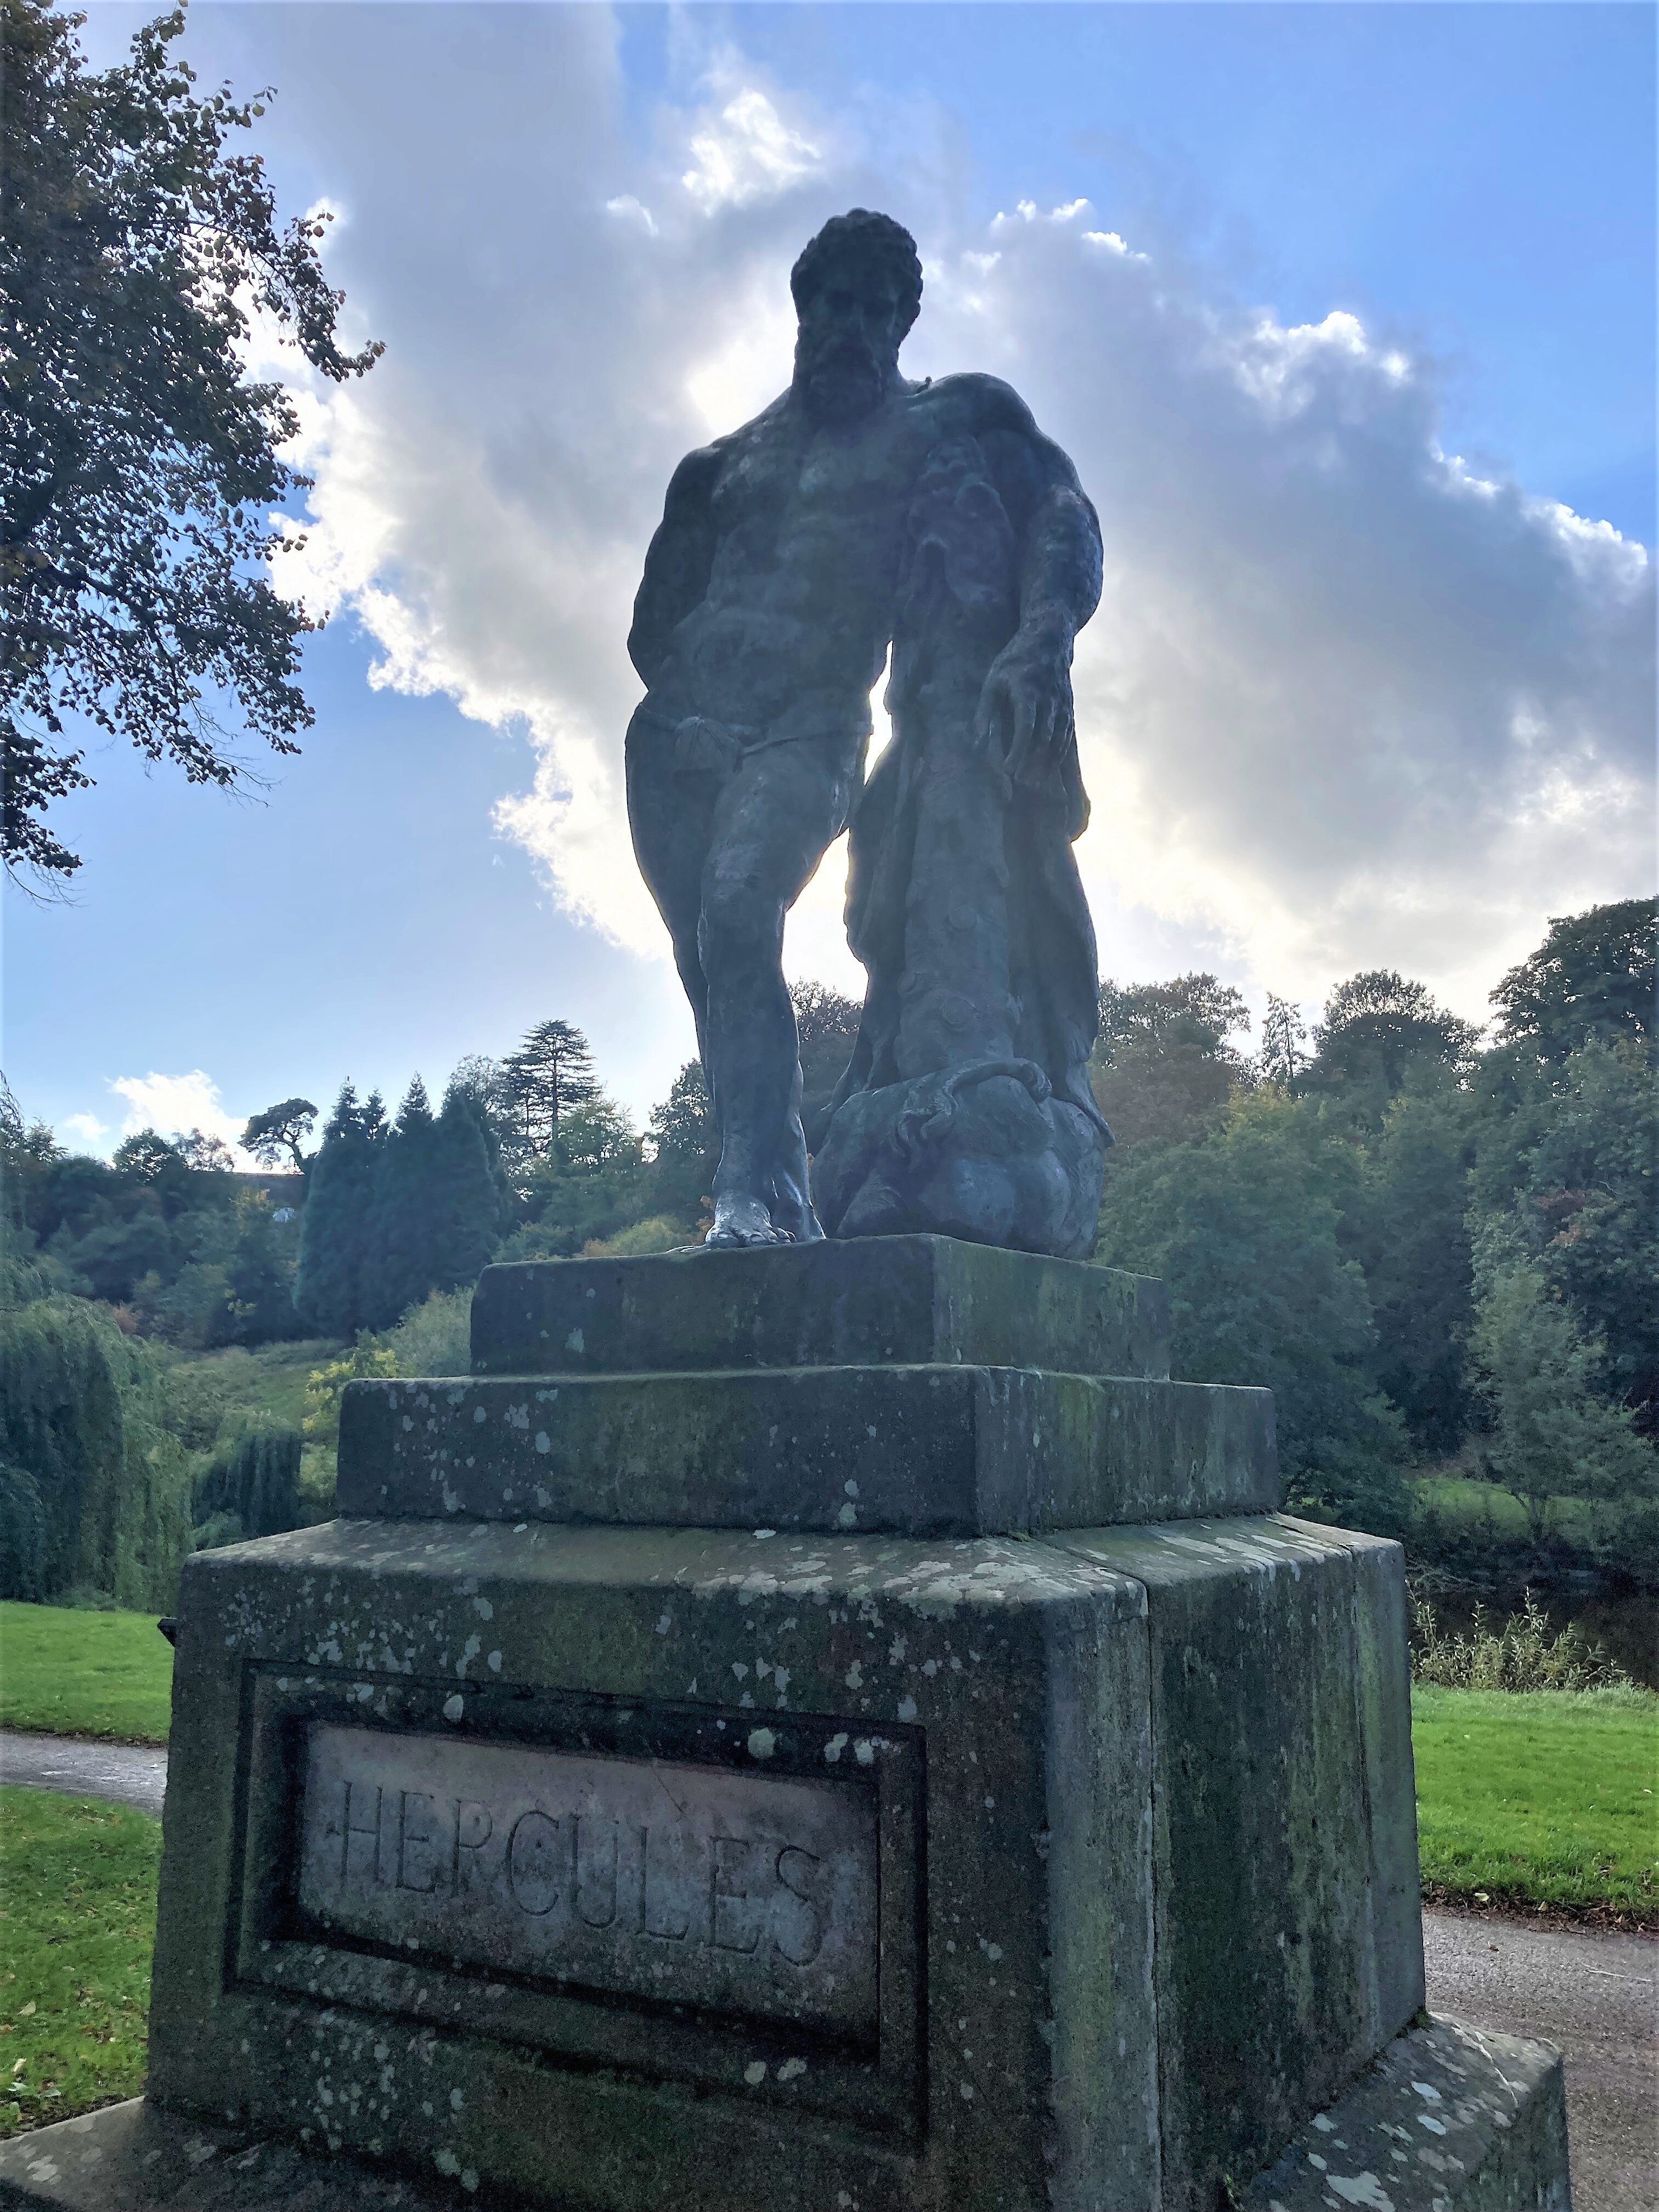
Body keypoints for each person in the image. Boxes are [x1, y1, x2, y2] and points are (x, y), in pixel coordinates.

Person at [627, 208, 1104, 1249]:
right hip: (676, 739)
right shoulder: (717, 466)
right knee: (708, 959)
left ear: (904, 321)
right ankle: (778, 1187)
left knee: (742, 907)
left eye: (873, 308)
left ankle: (751, 1191)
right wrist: (692, 705)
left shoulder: (949, 419)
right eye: (831, 302)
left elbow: (1062, 511)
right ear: (802, 308)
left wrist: (1045, 636)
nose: (847, 323)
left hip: (810, 728)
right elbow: (654, 623)